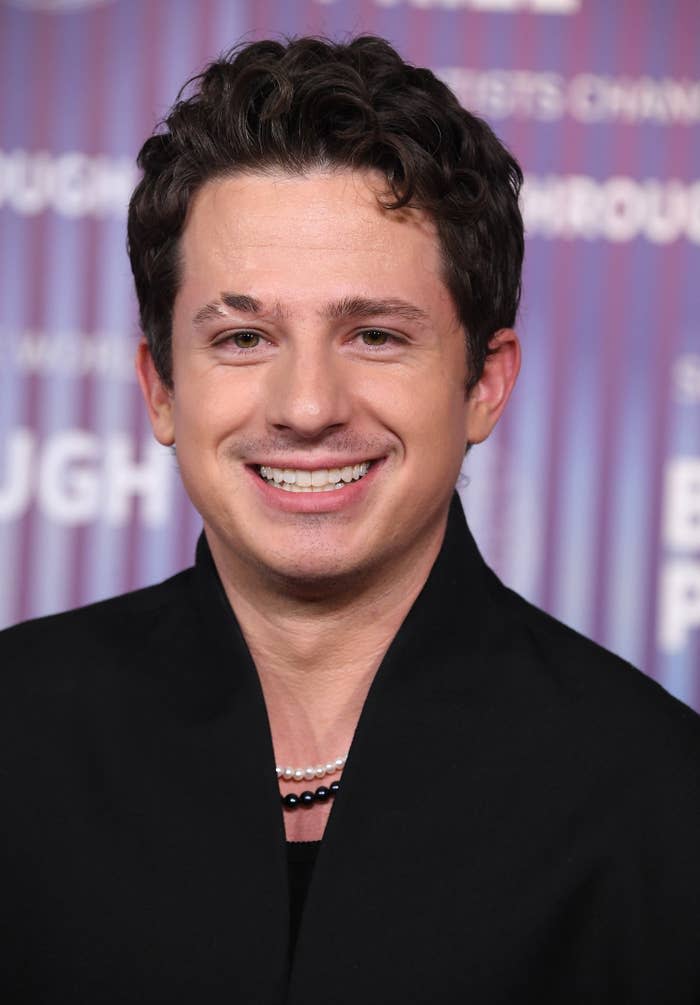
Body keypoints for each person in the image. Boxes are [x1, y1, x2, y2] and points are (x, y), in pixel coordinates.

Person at [1, 35, 699, 1004]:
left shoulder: (660, 800)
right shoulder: (14, 735)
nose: (307, 405)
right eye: (243, 338)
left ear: (483, 385)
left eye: (374, 335)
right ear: (161, 388)